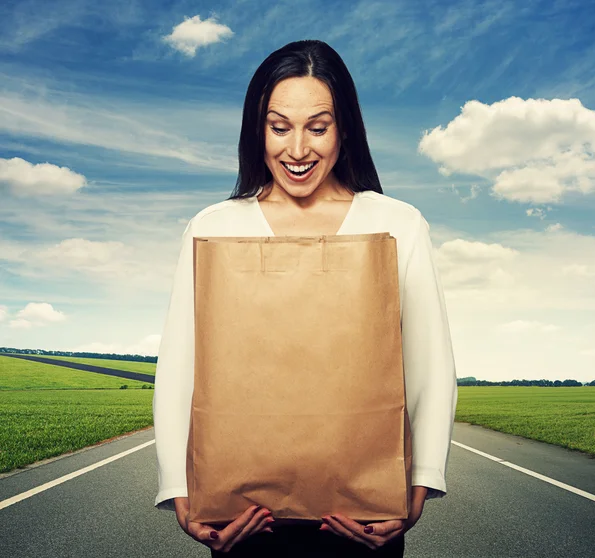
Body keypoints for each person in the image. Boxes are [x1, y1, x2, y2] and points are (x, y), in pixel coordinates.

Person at [153, 39, 457, 557]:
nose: (297, 150)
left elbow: (428, 363)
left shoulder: (397, 224)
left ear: (345, 130)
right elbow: (181, 364)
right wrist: (179, 491)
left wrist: (416, 490)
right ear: (257, 130)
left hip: (363, 521)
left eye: (318, 127)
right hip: (243, 520)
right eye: (279, 128)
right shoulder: (214, 226)